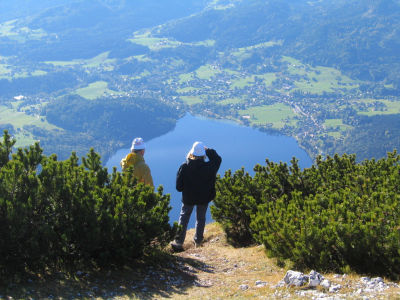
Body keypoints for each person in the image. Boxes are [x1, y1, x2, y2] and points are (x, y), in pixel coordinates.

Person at [171, 141, 222, 251]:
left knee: (184, 217)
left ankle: (178, 242)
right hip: (204, 197)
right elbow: (218, 159)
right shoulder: (210, 167)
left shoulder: (184, 167)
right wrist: (207, 150)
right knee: (201, 218)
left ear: (191, 153)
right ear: (203, 154)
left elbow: (179, 187)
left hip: (188, 198)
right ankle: (198, 241)